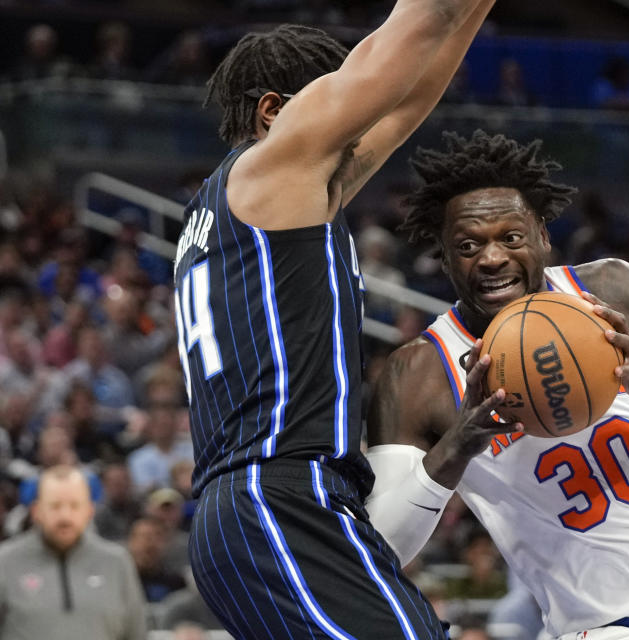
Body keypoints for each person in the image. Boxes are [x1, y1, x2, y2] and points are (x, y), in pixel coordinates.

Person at [365, 130, 629, 639]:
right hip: (599, 629)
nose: (492, 257)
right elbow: (377, 548)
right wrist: (457, 447)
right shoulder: (420, 373)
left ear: (543, 236)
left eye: (511, 237)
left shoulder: (608, 290)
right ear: (443, 255)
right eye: (467, 245)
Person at [175, 3, 497, 638]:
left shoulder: (259, 206)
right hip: (277, 497)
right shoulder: (272, 169)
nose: (363, 131)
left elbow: (407, 102)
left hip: (252, 510)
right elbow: (413, 32)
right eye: (343, 106)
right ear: (275, 111)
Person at [0, 465, 146, 639]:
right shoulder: (5, 561)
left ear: (90, 510)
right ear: (36, 511)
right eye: (55, 506)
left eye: (75, 505)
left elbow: (137, 634)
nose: (65, 516)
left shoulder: (117, 562)